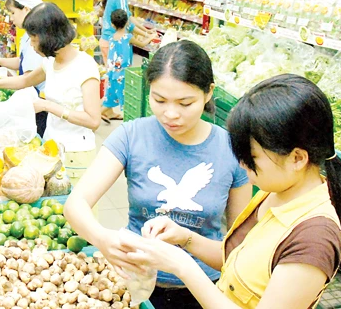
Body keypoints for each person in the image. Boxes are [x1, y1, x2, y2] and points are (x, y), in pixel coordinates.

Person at [119, 74, 341, 309]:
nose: (242, 165)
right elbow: (236, 260)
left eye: (252, 158)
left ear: (297, 158)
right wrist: (184, 237)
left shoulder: (313, 240)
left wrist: (183, 267)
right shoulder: (276, 191)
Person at [64, 40, 252, 309]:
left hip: (202, 291)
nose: (171, 114)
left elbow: (238, 251)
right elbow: (76, 204)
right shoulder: (131, 136)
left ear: (209, 93)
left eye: (185, 103)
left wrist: (187, 242)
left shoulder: (231, 149)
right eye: (159, 100)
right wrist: (102, 239)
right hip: (132, 283)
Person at [0, 2, 101, 186]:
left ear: (49, 36)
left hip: (76, 154)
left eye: (34, 39)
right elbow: (23, 81)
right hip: (51, 147)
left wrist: (47, 106)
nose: (32, 46)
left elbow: (93, 121)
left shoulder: (85, 66)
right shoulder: (51, 62)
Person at [0, 0, 46, 137]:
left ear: (26, 10)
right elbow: (23, 61)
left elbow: (27, 79)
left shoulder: (36, 38)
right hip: (31, 98)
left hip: (39, 104)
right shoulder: (27, 35)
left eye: (13, 13)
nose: (11, 18)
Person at [101, 9, 157, 121]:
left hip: (112, 73)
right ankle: (100, 116)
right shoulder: (128, 37)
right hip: (122, 74)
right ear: (127, 23)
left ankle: (102, 113)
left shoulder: (111, 37)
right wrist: (151, 37)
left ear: (112, 24)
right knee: (125, 99)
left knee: (110, 96)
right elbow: (142, 44)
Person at [99, 0, 153, 65]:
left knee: (110, 69)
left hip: (105, 40)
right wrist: (147, 35)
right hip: (115, 45)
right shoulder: (127, 37)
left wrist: (146, 31)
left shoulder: (112, 37)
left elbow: (128, 18)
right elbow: (128, 23)